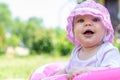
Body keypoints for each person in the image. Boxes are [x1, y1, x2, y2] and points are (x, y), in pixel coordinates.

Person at [38, 0, 120, 80]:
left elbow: (114, 72)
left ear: (106, 30)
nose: (87, 23)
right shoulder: (76, 52)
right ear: (73, 31)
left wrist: (87, 71)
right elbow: (66, 71)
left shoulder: (108, 51)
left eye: (95, 19)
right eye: (81, 20)